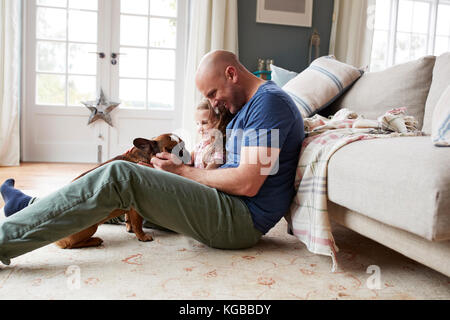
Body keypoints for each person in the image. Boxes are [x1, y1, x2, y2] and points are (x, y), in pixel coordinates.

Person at [0, 50, 305, 266]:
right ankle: (30, 207)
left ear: (231, 73)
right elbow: (237, 169)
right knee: (118, 195)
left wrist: (183, 172)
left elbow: (249, 183)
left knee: (121, 175)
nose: (213, 104)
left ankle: (6, 239)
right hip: (223, 203)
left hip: (240, 221)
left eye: (213, 93)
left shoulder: (270, 105)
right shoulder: (248, 108)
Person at [191, 99, 233, 169]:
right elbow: (187, 161)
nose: (200, 128)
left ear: (218, 122)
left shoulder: (219, 150)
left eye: (204, 123)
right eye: (197, 124)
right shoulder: (200, 145)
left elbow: (207, 174)